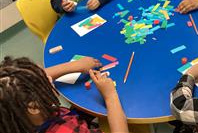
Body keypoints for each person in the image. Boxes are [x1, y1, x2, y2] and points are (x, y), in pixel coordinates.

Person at [0, 56, 129, 133]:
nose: (49, 78)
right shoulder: (65, 130)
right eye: (44, 82)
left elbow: (34, 77)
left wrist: (74, 65)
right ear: (33, 108)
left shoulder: (15, 114)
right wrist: (110, 96)